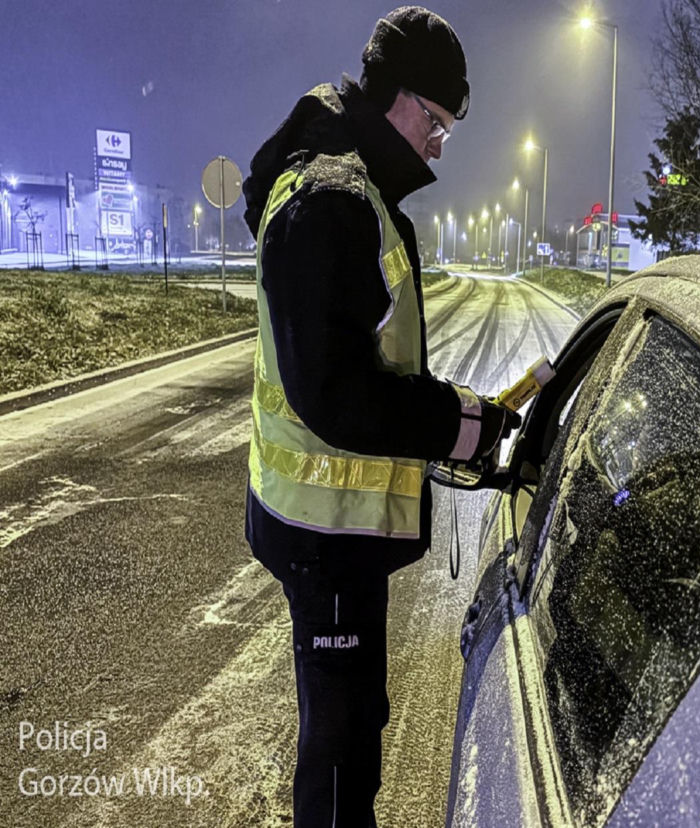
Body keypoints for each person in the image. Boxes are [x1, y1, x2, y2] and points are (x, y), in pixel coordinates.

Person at [240, 7, 519, 827]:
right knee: (340, 751)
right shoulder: (330, 203)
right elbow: (337, 394)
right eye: (436, 122)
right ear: (397, 98)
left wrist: (457, 421)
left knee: (352, 722)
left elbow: (367, 364)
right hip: (324, 534)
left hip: (329, 528)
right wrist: (460, 426)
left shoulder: (349, 187)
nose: (439, 144)